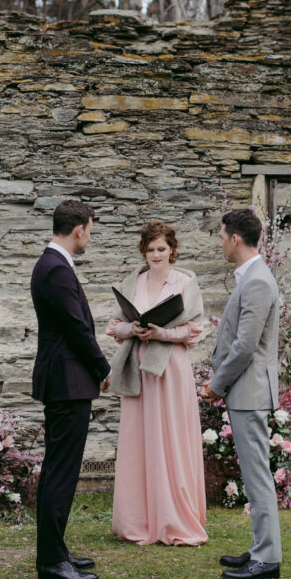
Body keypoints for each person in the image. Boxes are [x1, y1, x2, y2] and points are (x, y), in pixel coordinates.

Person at [106, 220, 207, 546]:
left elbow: (194, 330)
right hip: (138, 368)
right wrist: (131, 330)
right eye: (150, 249)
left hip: (170, 369)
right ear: (143, 251)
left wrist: (161, 333)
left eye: (161, 249)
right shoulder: (133, 280)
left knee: (171, 438)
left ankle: (173, 519)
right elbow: (114, 326)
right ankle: (138, 520)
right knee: (139, 438)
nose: (155, 254)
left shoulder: (184, 282)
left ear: (172, 250)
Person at [31, 200, 111, 579]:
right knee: (60, 473)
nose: (90, 238)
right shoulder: (55, 270)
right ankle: (50, 561)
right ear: (78, 228)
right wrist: (102, 366)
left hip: (67, 382)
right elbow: (77, 329)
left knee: (59, 470)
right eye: (91, 230)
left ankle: (56, 550)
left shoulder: (54, 266)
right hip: (66, 383)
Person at [202, 208, 281, 579]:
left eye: (221, 236)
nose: (220, 242)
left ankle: (267, 558)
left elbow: (246, 346)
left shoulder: (258, 281)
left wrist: (217, 385)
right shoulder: (250, 277)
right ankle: (258, 547)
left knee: (258, 476)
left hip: (248, 392)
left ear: (235, 238)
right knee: (253, 476)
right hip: (245, 392)